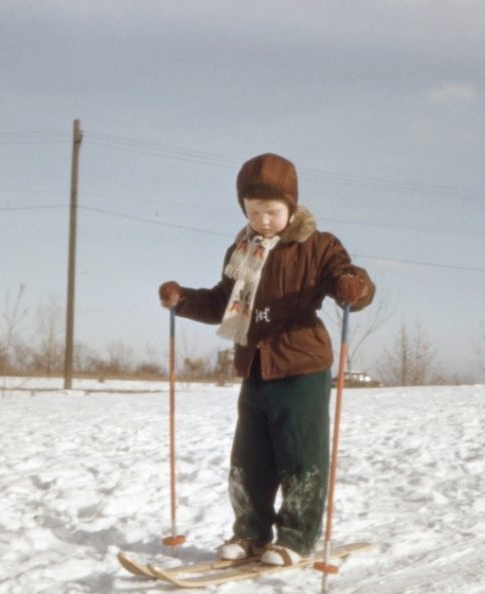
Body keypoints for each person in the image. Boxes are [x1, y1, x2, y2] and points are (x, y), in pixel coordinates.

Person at [158, 153, 375, 566]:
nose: (264, 220)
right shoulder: (241, 251)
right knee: (249, 458)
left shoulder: (318, 245)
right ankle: (250, 535)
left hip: (301, 365)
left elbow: (347, 278)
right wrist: (183, 300)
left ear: (291, 206)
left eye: (272, 211)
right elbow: (224, 303)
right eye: (253, 211)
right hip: (255, 365)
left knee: (300, 455)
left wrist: (355, 287)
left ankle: (295, 537)